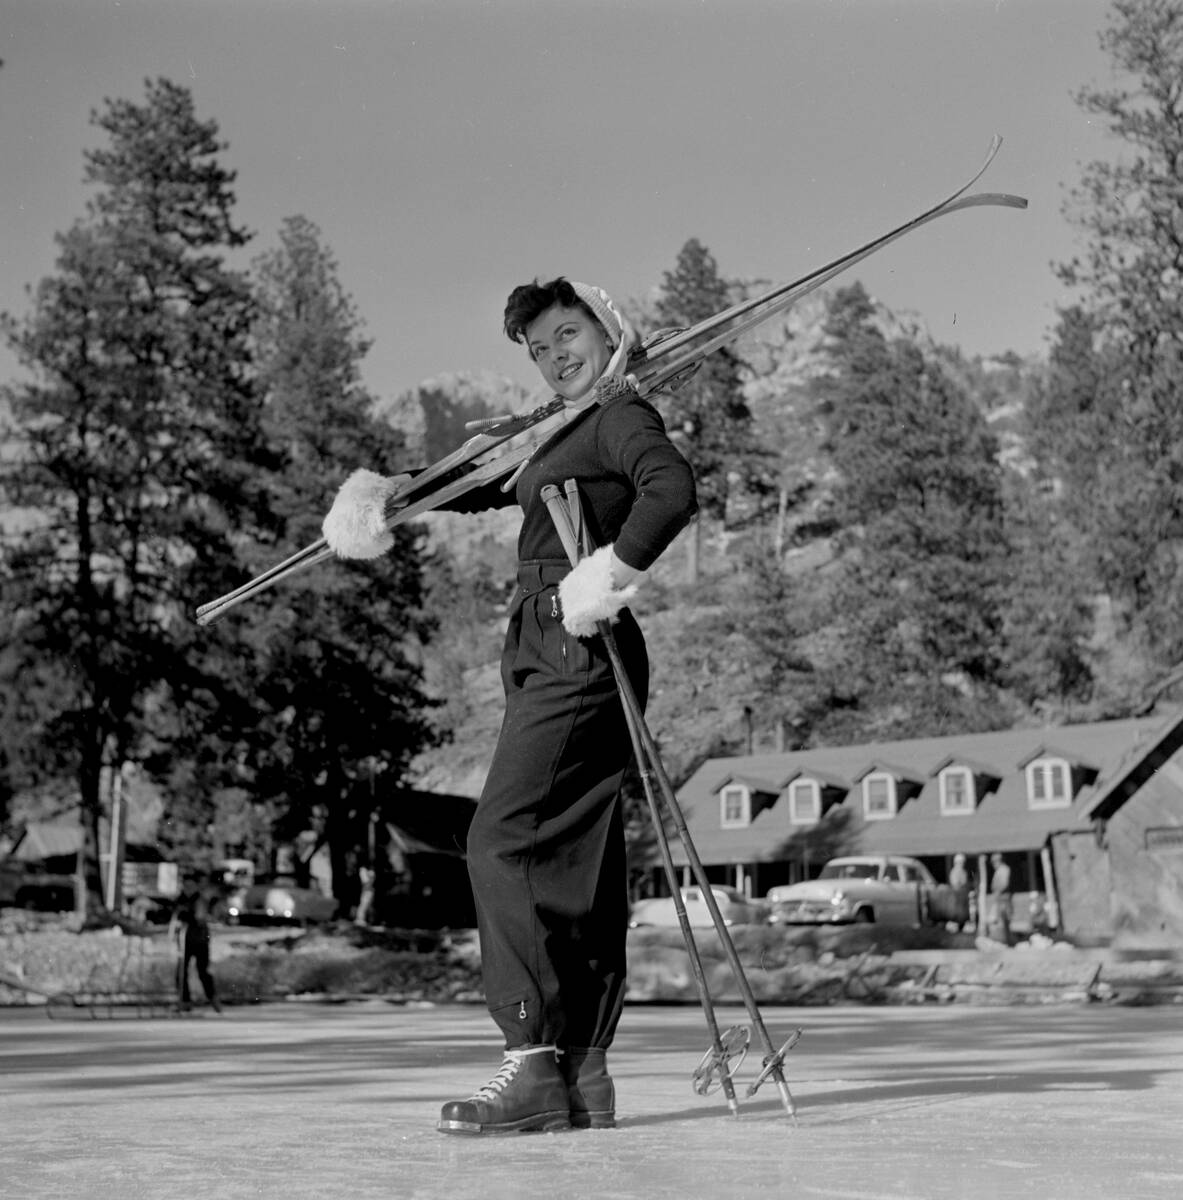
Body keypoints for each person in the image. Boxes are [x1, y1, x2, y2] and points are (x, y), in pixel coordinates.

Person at [322, 278, 697, 1134]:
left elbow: (670, 490)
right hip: (557, 637)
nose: (555, 355)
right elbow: (486, 478)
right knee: (574, 854)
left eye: (568, 334)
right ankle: (582, 1070)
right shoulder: (562, 429)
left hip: (575, 634)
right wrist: (390, 493)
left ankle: (530, 1059)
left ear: (607, 328)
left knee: (500, 839)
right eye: (538, 349)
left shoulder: (618, 415)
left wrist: (608, 574)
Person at [169, 873, 221, 1013]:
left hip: (199, 940)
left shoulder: (199, 900)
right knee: (181, 972)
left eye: (190, 886)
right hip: (185, 941)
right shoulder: (181, 899)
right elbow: (175, 915)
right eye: (186, 886)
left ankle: (213, 998)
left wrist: (187, 915)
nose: (188, 888)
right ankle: (185, 1000)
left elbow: (200, 917)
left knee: (203, 971)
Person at [987, 851, 1012, 944]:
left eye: (994, 862)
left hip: (1003, 898)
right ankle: (1001, 940)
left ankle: (1003, 941)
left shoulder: (1004, 869)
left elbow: (1004, 884)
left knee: (1002, 920)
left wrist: (997, 892)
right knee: (997, 920)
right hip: (998, 898)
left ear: (999, 860)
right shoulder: (999, 870)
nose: (993, 864)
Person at [948, 852, 971, 930]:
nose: (962, 864)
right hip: (957, 896)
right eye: (961, 862)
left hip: (963, 896)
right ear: (956, 862)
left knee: (963, 914)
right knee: (958, 913)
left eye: (963, 862)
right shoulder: (954, 872)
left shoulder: (963, 871)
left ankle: (961, 926)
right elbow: (955, 884)